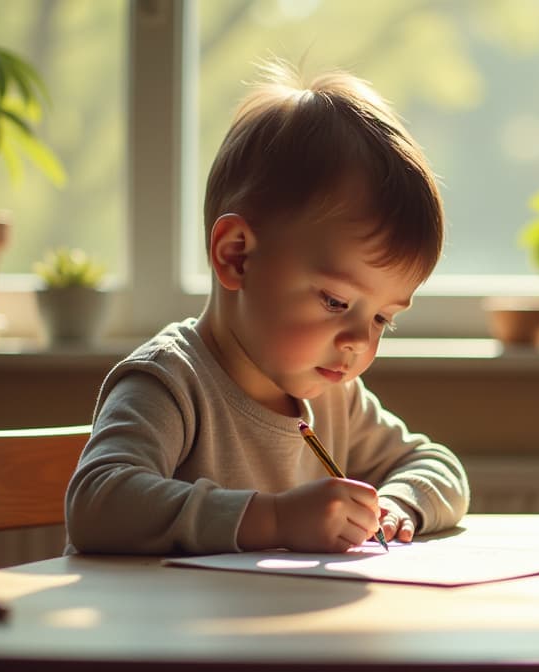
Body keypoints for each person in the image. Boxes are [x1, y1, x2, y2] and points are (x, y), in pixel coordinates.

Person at [65, 60, 469, 555]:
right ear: (237, 255)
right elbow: (97, 503)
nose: (360, 342)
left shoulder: (334, 397)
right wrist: (275, 519)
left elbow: (437, 466)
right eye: (336, 301)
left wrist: (397, 505)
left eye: (383, 318)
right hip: (158, 631)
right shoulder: (170, 383)